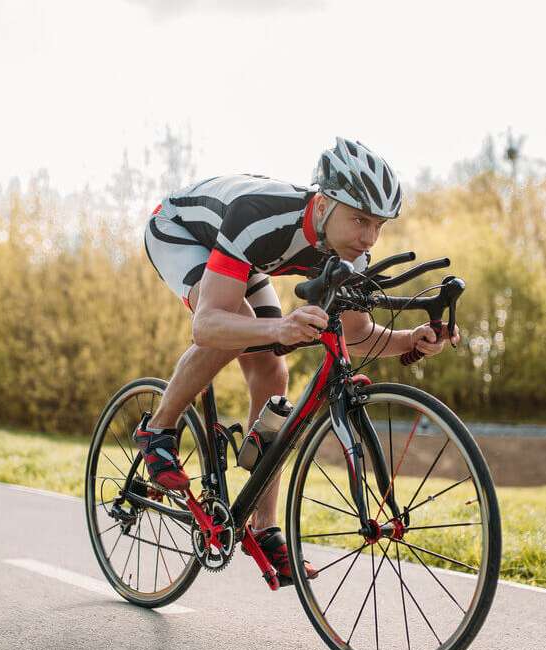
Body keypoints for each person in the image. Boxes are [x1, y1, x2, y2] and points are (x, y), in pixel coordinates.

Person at [135, 137, 459, 586]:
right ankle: (157, 431)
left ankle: (264, 529)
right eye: (360, 219)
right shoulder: (263, 216)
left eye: (379, 226)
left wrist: (412, 339)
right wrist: (278, 329)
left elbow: (358, 334)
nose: (369, 238)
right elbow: (207, 326)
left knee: (273, 369)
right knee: (236, 326)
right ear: (324, 204)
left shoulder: (350, 250)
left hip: (241, 254)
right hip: (181, 231)